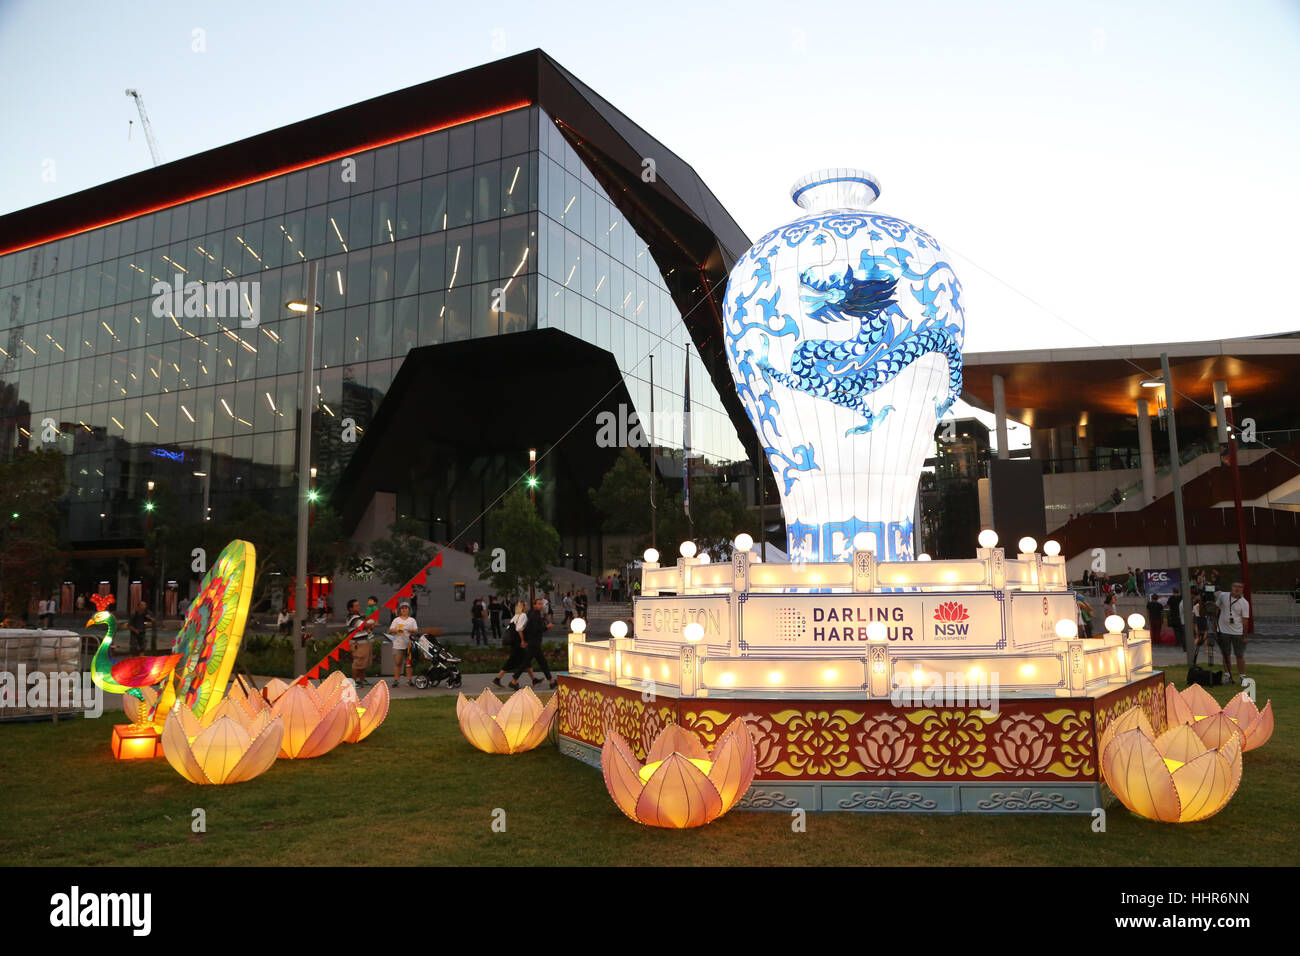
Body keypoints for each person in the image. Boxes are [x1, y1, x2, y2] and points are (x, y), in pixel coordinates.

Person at [512, 598, 555, 689]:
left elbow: (529, 628)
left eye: (541, 604)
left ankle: (551, 681)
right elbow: (536, 629)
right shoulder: (535, 615)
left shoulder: (533, 613)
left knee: (541, 662)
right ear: (534, 605)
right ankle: (513, 681)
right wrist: (547, 627)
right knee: (527, 663)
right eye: (538, 604)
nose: (541, 605)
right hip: (534, 643)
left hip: (533, 643)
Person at [1214, 582, 1250, 684]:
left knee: (1239, 655)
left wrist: (1244, 635)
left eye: (1240, 587)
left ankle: (1242, 677)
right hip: (1223, 630)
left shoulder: (1244, 603)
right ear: (1231, 587)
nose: (1237, 589)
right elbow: (1216, 608)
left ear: (1242, 589)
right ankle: (1227, 675)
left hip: (1237, 632)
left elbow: (1245, 620)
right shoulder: (1223, 596)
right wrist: (1215, 622)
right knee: (1226, 654)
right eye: (1235, 586)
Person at [493, 601, 534, 687]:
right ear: (523, 607)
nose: (527, 607)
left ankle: (534, 679)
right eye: (526, 605)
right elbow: (519, 629)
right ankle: (505, 680)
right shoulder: (523, 615)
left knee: (524, 660)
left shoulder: (515, 616)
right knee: (516, 660)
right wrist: (523, 640)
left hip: (514, 642)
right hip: (518, 642)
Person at [388, 602, 418, 687]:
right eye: (402, 608)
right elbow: (390, 631)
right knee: (398, 662)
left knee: (409, 663)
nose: (404, 610)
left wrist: (411, 630)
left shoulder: (412, 620)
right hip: (398, 644)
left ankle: (409, 680)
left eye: (406, 608)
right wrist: (397, 630)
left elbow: (416, 630)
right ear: (400, 610)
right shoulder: (396, 620)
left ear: (409, 610)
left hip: (409, 644)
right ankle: (396, 680)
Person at [347, 599, 373, 687]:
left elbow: (367, 627)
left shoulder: (358, 617)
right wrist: (371, 622)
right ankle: (353, 682)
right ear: (351, 609)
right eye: (356, 606)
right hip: (357, 644)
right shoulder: (352, 618)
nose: (359, 607)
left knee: (363, 662)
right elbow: (364, 626)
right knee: (358, 662)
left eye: (358, 605)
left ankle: (362, 680)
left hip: (364, 642)